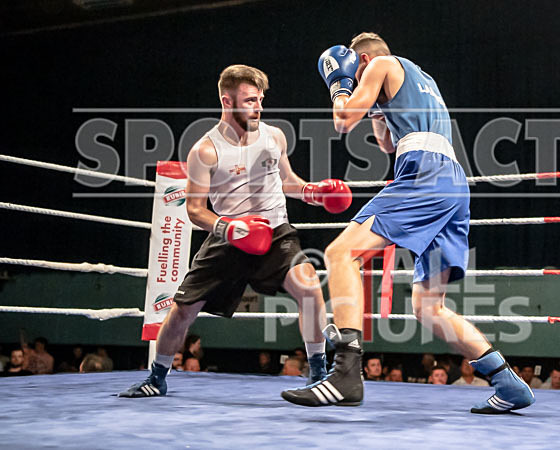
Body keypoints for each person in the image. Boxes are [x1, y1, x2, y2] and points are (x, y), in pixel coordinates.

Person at [280, 33, 533, 414]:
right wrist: (379, 112)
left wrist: (340, 85)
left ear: (362, 60)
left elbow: (344, 120)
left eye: (355, 66)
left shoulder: (381, 64)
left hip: (424, 174)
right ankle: (508, 383)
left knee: (339, 254)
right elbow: (386, 145)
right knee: (429, 307)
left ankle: (346, 373)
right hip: (452, 183)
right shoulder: (421, 79)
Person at [119, 64, 349, 398]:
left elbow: (288, 182)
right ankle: (156, 378)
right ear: (227, 101)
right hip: (229, 236)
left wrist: (315, 193)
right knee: (182, 310)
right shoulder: (205, 150)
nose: (258, 107)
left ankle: (318, 373)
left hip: (275, 232)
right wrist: (230, 228)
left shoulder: (274, 137)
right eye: (250, 100)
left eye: (260, 99)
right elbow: (195, 209)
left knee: (310, 288)